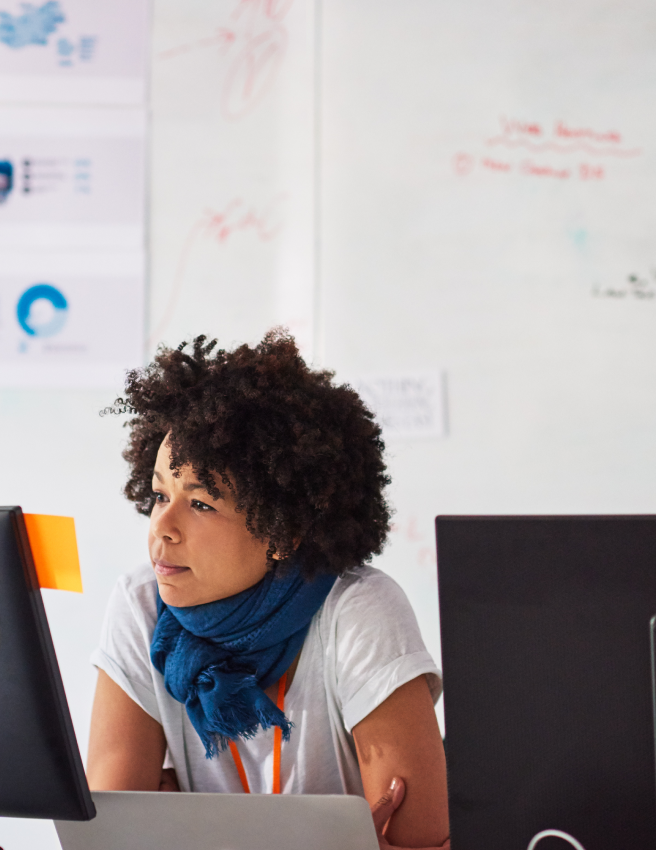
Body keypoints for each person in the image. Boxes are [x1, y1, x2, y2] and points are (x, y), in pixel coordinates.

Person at [88, 330, 450, 849]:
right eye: (159, 494)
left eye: (202, 504)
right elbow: (110, 841)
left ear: (282, 532)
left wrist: (182, 825)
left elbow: (419, 845)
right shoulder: (141, 606)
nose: (161, 527)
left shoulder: (359, 611)